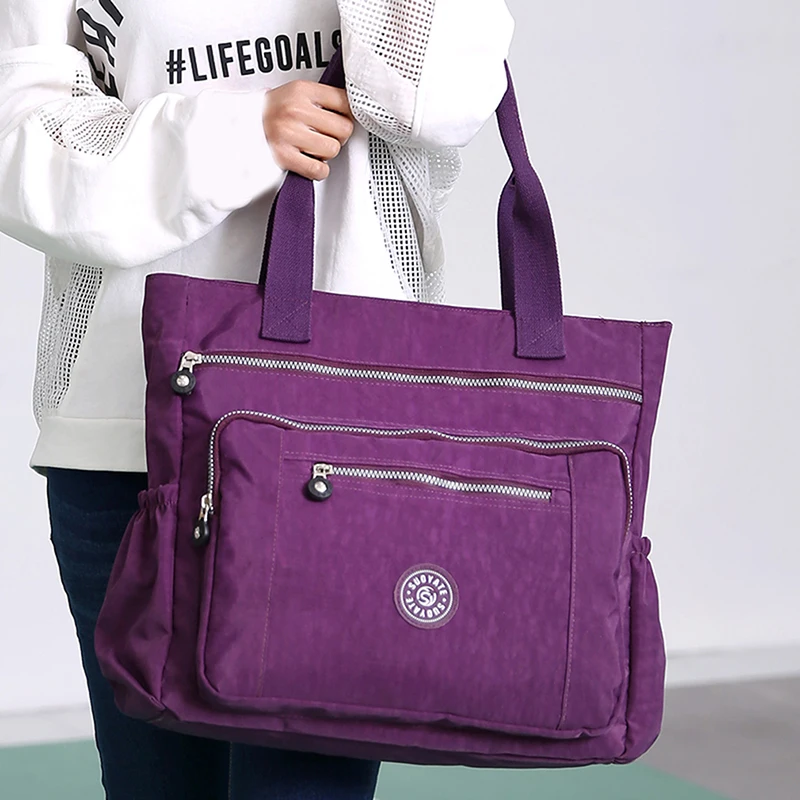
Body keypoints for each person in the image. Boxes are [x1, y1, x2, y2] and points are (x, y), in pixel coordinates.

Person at [0, 1, 514, 797]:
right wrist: (235, 136)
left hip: (345, 433)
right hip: (129, 426)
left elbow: (441, 100)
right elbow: (16, 136)